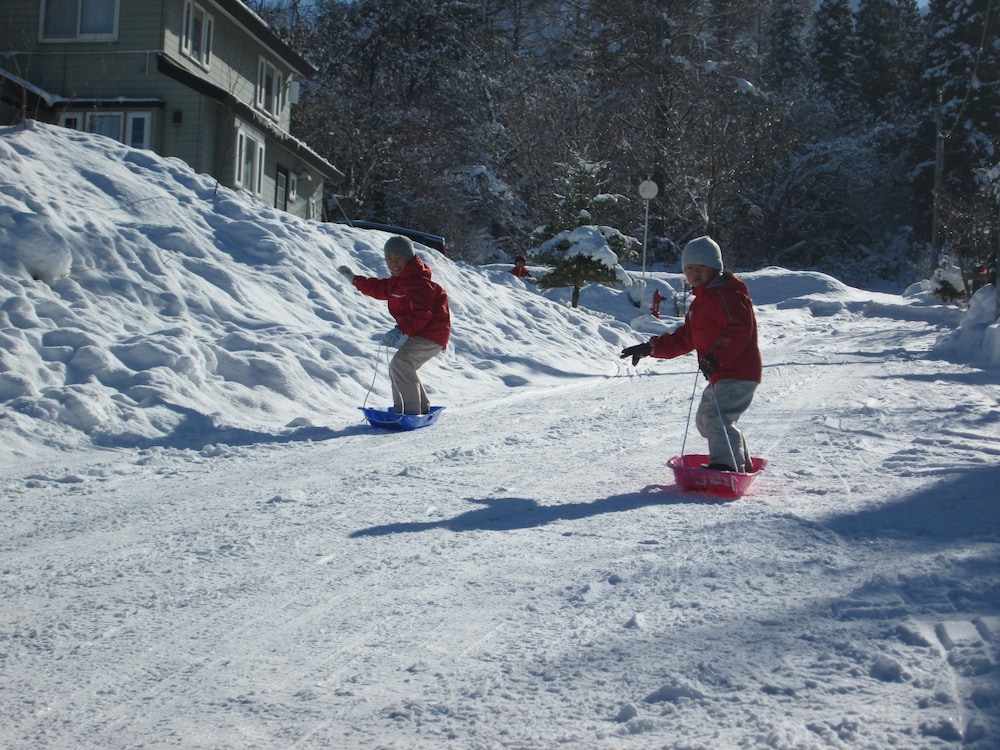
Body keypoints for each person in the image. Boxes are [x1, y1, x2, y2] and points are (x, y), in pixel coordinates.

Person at [620, 236, 762, 472]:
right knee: (706, 421)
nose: (695, 273)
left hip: (738, 370)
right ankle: (738, 461)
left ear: (715, 268)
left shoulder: (726, 295)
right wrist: (651, 347)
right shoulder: (701, 302)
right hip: (722, 372)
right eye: (689, 269)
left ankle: (725, 466)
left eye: (701, 267)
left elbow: (739, 329)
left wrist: (716, 355)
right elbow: (686, 337)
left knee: (717, 418)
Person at [339, 236, 451, 415]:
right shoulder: (398, 282)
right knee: (403, 366)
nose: (393, 263)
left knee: (401, 364)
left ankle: (409, 412)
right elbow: (378, 288)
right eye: (389, 258)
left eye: (398, 257)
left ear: (408, 258)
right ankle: (420, 407)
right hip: (422, 333)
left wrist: (400, 330)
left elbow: (423, 313)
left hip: (433, 333)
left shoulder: (419, 283)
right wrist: (354, 280)